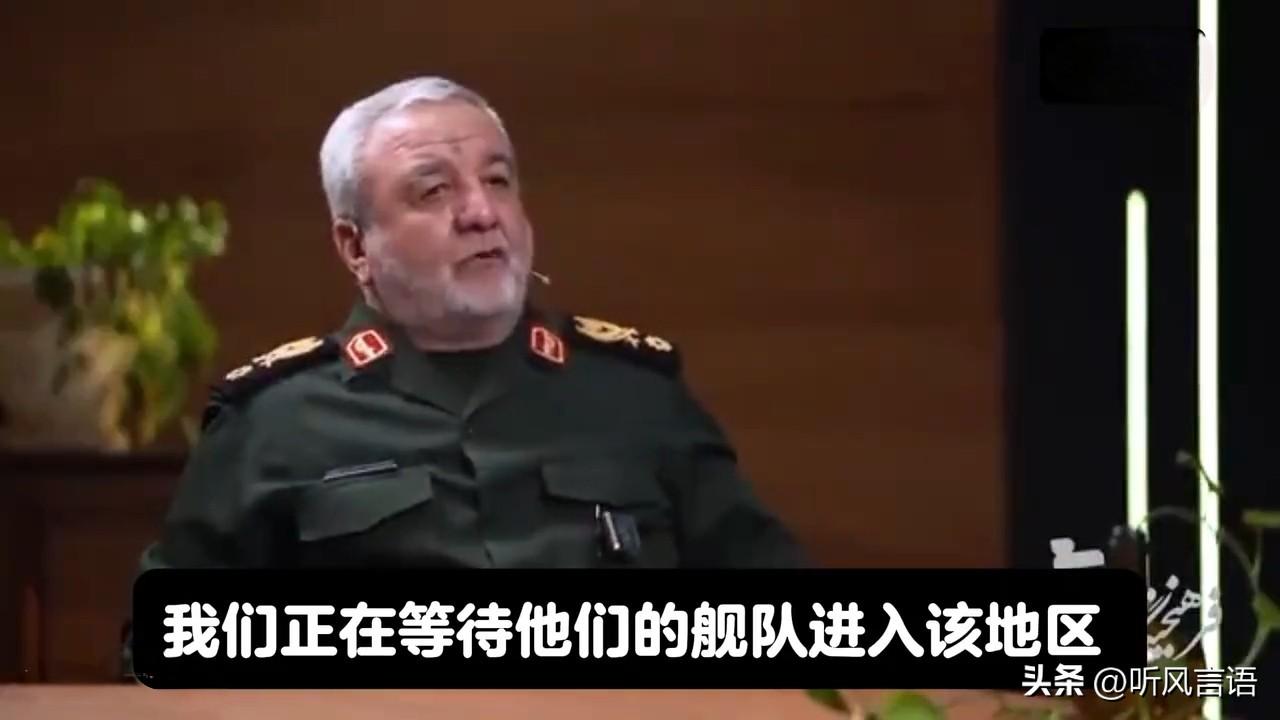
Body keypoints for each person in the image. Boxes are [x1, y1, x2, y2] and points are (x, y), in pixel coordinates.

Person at [121, 75, 805, 673]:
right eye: (434, 190)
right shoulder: (272, 422)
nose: (482, 213)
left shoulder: (637, 398)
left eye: (498, 180)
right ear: (356, 246)